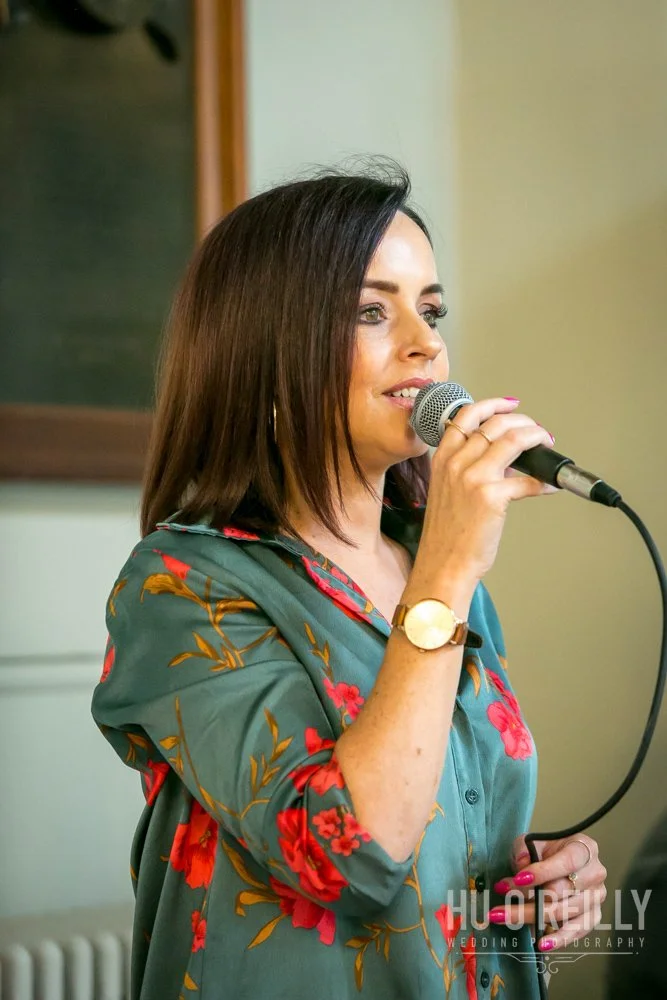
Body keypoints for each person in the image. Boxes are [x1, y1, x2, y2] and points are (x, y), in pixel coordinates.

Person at [92, 164, 608, 999]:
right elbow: (351, 855)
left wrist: (542, 872)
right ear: (266, 349)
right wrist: (447, 569)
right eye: (372, 311)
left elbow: (443, 811)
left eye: (430, 310)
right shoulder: (180, 585)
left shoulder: (431, 565)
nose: (425, 343)